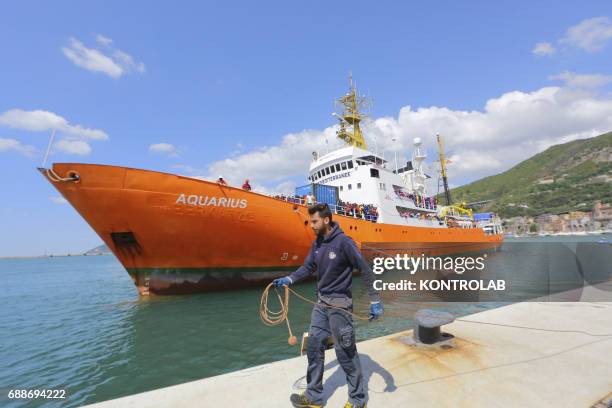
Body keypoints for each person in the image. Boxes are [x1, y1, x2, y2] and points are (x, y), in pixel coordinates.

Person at [272, 203, 384, 408]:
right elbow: (307, 267)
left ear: (326, 220)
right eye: (310, 221)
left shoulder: (344, 243)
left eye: (314, 221)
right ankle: (314, 397)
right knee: (314, 347)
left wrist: (375, 300)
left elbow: (365, 270)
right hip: (321, 304)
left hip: (340, 305)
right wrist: (289, 279)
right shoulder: (317, 243)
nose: (311, 225)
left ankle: (358, 401)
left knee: (346, 353)